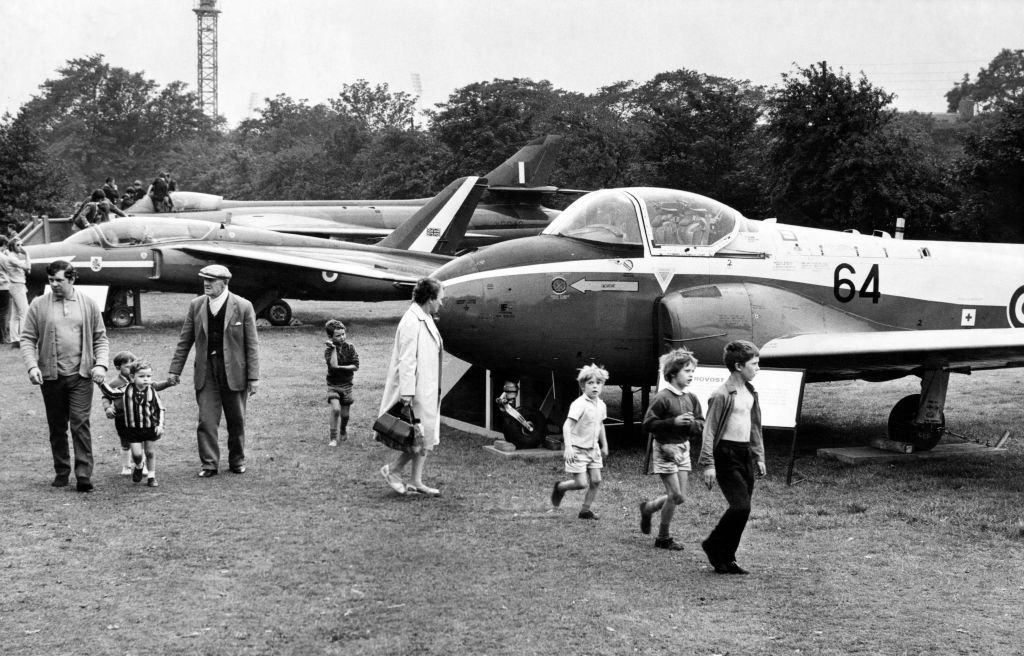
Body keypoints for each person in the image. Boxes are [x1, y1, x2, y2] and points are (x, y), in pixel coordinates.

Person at [20, 260, 109, 492]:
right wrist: (32, 366)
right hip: (50, 376)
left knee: (80, 423)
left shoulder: (88, 304)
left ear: (71, 279)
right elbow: (27, 338)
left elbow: (100, 338)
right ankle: (62, 470)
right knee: (57, 426)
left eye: (59, 280)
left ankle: (83, 474)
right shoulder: (39, 304)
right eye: (51, 280)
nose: (54, 284)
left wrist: (100, 365)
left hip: (81, 375)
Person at [167, 265, 259, 477]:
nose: (206, 284)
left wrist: (253, 377)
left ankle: (237, 461)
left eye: (211, 280)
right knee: (206, 421)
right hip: (206, 371)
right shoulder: (196, 305)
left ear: (224, 282)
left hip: (235, 373)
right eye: (204, 280)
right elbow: (185, 339)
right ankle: (209, 464)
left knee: (236, 421)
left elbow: (252, 345)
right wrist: (175, 370)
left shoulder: (243, 306)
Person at [698, 340, 765, 575]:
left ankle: (728, 557)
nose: (758, 368)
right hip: (725, 454)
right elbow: (709, 430)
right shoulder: (721, 395)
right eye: (754, 364)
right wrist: (708, 464)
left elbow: (754, 427)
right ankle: (713, 545)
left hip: (744, 453)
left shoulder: (750, 392)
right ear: (738, 365)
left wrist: (759, 456)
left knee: (743, 510)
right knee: (740, 506)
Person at [376, 277, 445, 496]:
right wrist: (406, 393)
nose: (441, 303)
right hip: (416, 390)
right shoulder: (411, 321)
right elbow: (406, 359)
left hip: (428, 387)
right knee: (417, 436)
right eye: (440, 298)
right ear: (430, 298)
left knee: (426, 435)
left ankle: (416, 480)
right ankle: (393, 470)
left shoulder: (425, 317)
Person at [639, 348, 705, 550]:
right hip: (664, 449)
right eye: (687, 371)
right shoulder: (662, 398)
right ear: (673, 373)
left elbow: (701, 422)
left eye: (692, 371)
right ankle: (663, 538)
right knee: (674, 495)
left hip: (683, 449)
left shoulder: (691, 397)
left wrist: (691, 425)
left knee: (680, 497)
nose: (691, 375)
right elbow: (648, 424)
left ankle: (649, 508)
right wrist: (673, 422)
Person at [98, 351, 175, 477]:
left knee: (143, 440)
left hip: (141, 415)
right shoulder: (115, 382)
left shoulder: (142, 379)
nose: (130, 369)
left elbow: (155, 385)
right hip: (122, 416)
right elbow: (107, 395)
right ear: (118, 368)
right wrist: (107, 408)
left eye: (132, 366)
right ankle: (126, 466)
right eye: (127, 366)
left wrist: (167, 383)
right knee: (125, 441)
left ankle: (141, 464)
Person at [550, 363, 610, 520]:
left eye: (598, 383)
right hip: (577, 449)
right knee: (581, 483)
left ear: (602, 385)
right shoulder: (579, 404)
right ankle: (560, 487)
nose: (595, 387)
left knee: (596, 480)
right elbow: (566, 425)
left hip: (593, 449)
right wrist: (568, 447)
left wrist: (604, 445)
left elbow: (600, 424)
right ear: (583, 386)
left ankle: (585, 511)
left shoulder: (601, 405)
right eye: (590, 383)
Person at [109, 359, 166, 487]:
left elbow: (160, 408)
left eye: (149, 376)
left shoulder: (152, 391)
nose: (146, 379)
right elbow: (111, 392)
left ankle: (151, 476)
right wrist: (101, 383)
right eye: (141, 376)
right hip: (133, 429)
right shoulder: (126, 389)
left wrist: (160, 425)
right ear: (132, 377)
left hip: (150, 427)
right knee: (137, 454)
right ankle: (139, 466)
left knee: (150, 452)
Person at [324, 319, 359, 446]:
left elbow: (355, 366)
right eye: (338, 336)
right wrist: (333, 348)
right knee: (336, 409)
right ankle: (333, 438)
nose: (342, 337)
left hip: (347, 385)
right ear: (330, 337)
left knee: (345, 415)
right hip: (333, 385)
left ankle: (343, 429)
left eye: (343, 334)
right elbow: (333, 365)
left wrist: (343, 368)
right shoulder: (328, 350)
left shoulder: (350, 348)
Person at [3, 236, 30, 346]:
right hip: (17, 285)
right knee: (24, 312)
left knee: (15, 314)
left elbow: (28, 269)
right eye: (18, 245)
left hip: (17, 285)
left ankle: (15, 339)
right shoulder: (12, 258)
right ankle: (24, 338)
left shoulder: (13, 258)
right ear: (12, 246)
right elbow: (28, 267)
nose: (20, 247)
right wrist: (27, 254)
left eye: (21, 244)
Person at [0, 235, 12, 344]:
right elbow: (10, 270)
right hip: (3, 287)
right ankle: (2, 337)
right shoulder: (3, 258)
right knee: (3, 313)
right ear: (4, 244)